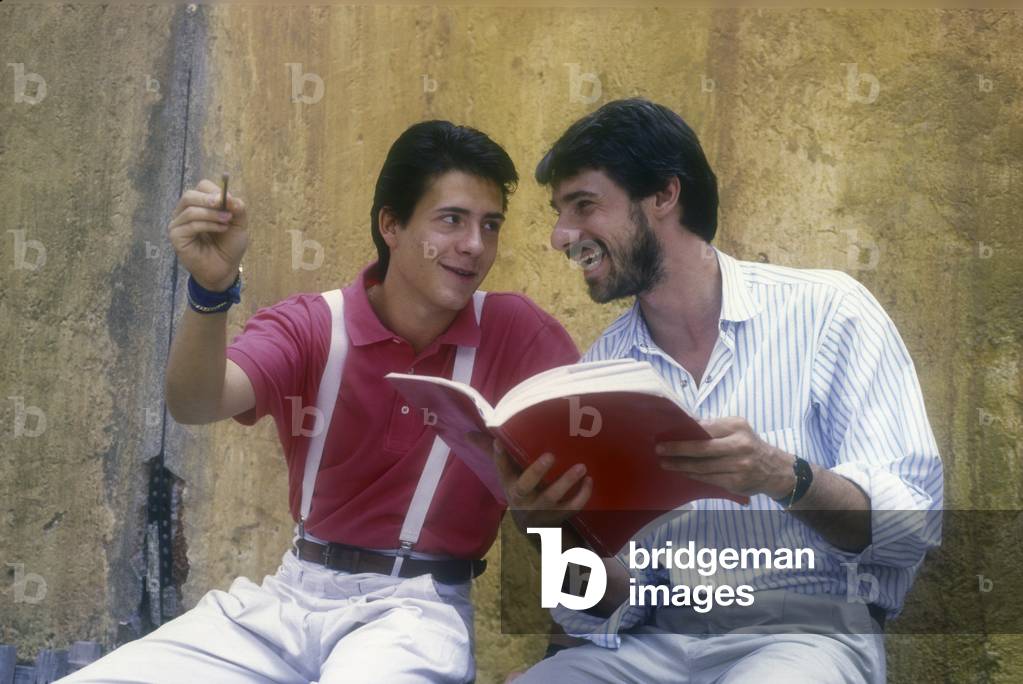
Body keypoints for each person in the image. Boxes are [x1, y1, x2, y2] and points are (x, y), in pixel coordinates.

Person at [63, 121, 584, 684]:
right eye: (452, 220)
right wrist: (210, 292)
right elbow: (196, 402)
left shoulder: (517, 333)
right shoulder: (314, 325)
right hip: (289, 596)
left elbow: (589, 481)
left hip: (416, 610)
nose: (475, 245)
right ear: (391, 225)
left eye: (490, 225)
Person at [483, 98, 943, 684]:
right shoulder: (602, 370)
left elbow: (911, 526)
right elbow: (607, 604)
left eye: (584, 205)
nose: (560, 236)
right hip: (653, 646)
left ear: (664, 195)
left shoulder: (830, 313)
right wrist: (543, 529)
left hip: (804, 634)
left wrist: (783, 475)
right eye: (559, 212)